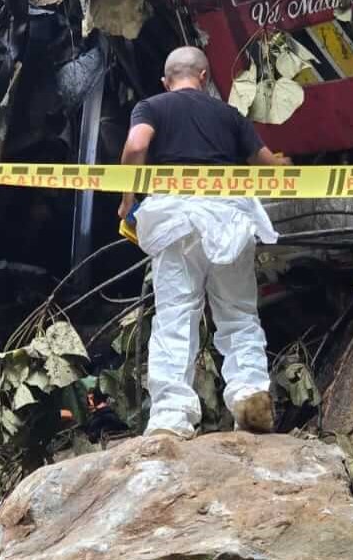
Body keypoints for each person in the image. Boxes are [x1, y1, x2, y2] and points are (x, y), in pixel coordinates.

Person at [118, 46, 290, 438]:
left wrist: (128, 197)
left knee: (176, 314)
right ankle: (250, 396)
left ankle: (171, 416)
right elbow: (268, 166)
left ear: (167, 80)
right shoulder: (227, 114)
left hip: (176, 220)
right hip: (229, 218)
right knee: (239, 313)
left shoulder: (152, 105)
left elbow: (136, 145)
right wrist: (287, 165)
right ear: (205, 76)